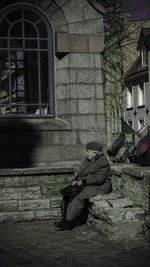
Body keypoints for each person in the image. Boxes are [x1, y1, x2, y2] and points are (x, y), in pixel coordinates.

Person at [55, 141, 112, 230]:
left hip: (100, 186)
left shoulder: (103, 162)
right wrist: (76, 180)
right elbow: (81, 172)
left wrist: (83, 181)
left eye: (88, 151)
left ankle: (68, 222)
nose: (86, 153)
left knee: (78, 197)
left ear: (95, 153)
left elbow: (99, 178)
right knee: (68, 194)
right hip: (88, 184)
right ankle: (66, 219)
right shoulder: (88, 160)